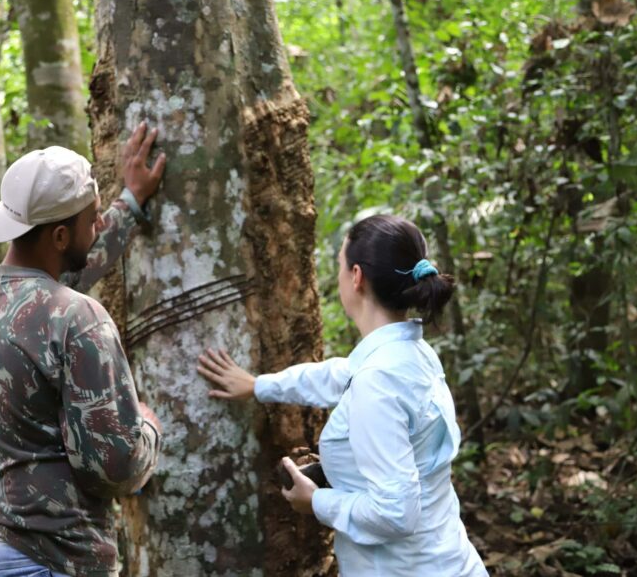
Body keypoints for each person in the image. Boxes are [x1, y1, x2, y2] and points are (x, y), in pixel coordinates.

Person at [197, 214, 488, 576]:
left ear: (356, 277)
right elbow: (337, 374)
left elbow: (397, 513)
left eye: (338, 266)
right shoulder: (409, 354)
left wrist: (317, 502)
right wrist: (259, 385)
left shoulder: (379, 380)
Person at [0, 123, 166, 577]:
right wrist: (147, 426)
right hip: (53, 557)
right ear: (61, 238)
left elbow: (48, 292)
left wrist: (129, 203)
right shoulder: (79, 319)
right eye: (93, 217)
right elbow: (115, 466)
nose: (100, 222)